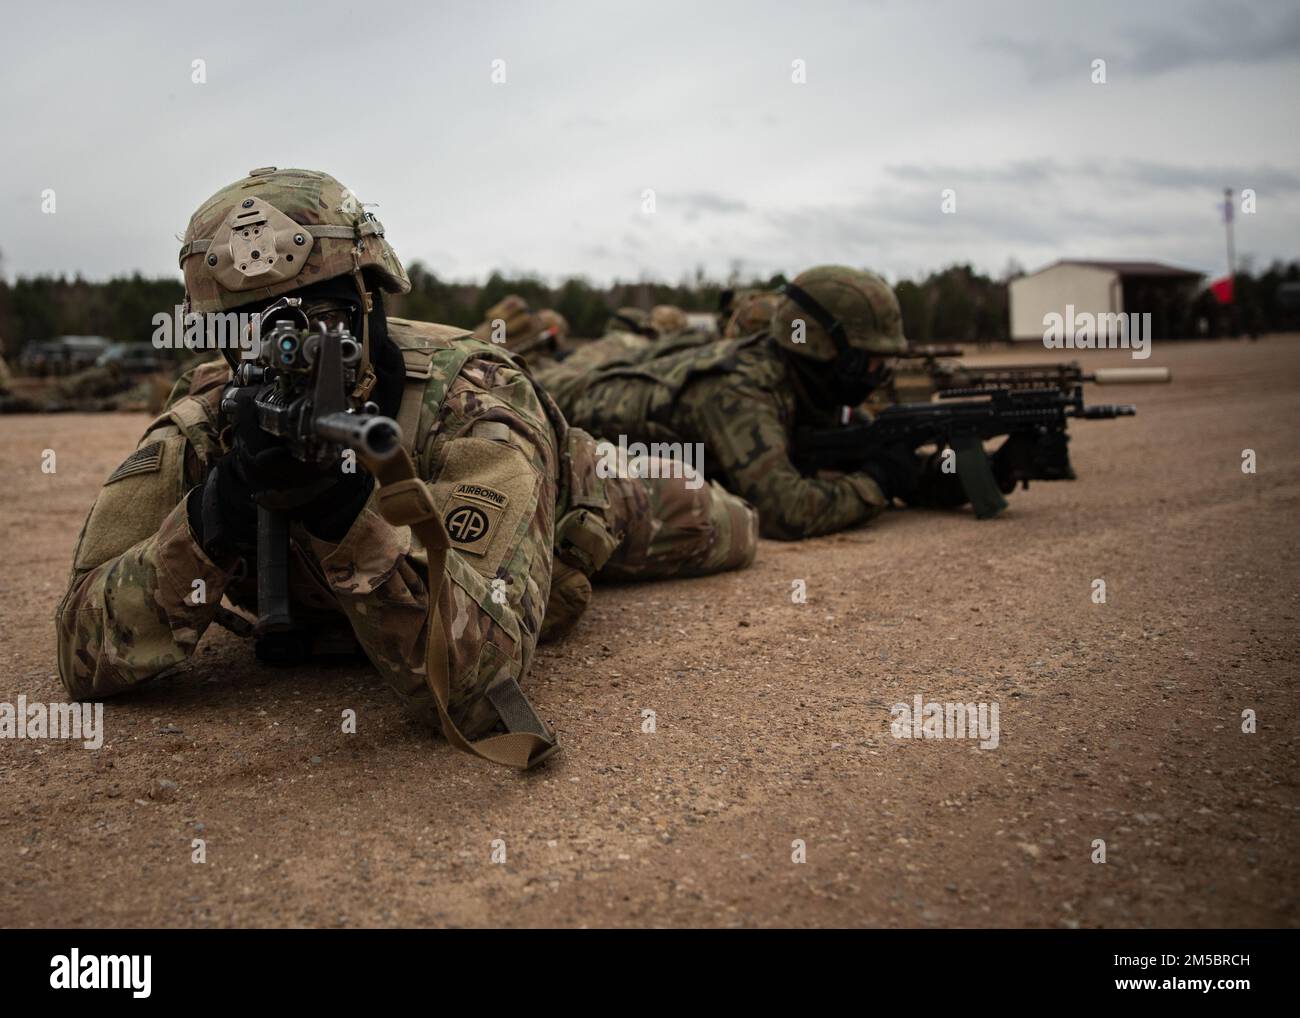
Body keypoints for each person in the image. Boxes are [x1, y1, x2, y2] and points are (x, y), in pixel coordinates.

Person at [56, 167, 757, 768]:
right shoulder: (206, 419)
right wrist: (217, 514)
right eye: (253, 330)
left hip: (582, 498)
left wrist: (346, 513)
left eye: (319, 321)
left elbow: (481, 678)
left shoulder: (472, 398)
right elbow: (82, 650)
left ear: (370, 300)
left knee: (732, 524)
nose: (285, 355)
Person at [541, 265, 1033, 540]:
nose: (880, 373)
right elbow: (785, 510)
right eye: (870, 359)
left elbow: (889, 463)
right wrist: (876, 484)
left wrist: (989, 471)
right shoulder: (740, 390)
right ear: (825, 348)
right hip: (558, 404)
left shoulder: (810, 385)